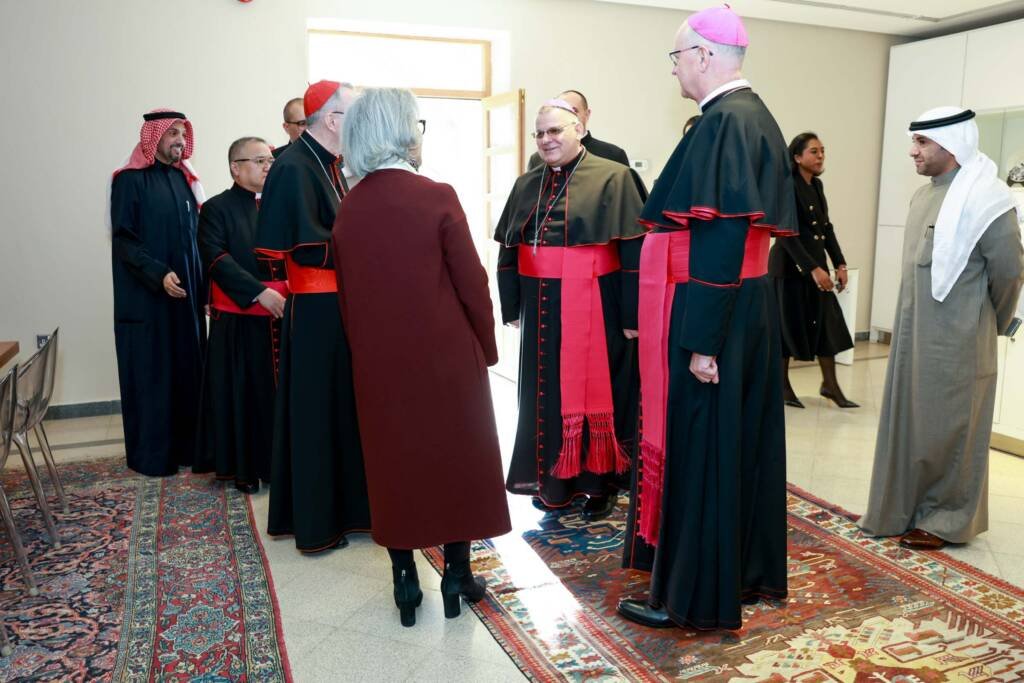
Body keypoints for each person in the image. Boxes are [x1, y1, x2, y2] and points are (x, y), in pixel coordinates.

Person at [618, 5, 793, 630]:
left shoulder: (724, 121)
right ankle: (741, 573)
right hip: (744, 306)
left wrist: (702, 342)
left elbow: (719, 239)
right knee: (737, 446)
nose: (674, 70)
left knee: (703, 450)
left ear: (704, 55)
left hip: (715, 308)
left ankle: (692, 599)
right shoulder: (753, 114)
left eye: (676, 57)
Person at [332, 87, 511, 627]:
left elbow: (348, 300)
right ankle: (457, 574)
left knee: (394, 464)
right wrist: (486, 346)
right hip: (446, 357)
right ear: (403, 132)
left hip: (380, 364)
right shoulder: (436, 196)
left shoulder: (349, 209)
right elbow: (472, 282)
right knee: (457, 458)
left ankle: (405, 581)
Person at [859, 107, 1024, 550]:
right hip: (913, 336)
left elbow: (1009, 274)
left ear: (951, 145)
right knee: (911, 424)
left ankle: (947, 519)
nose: (912, 151)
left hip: (960, 338)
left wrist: (986, 324)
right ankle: (902, 509)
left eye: (922, 143)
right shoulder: (922, 196)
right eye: (913, 142)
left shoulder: (989, 200)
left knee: (953, 430)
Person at [495, 99, 645, 522]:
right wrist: (511, 304)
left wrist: (632, 317)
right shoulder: (526, 183)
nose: (546, 140)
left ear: (579, 129)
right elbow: (509, 247)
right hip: (540, 308)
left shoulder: (614, 177)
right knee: (543, 395)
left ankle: (598, 485)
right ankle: (551, 481)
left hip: (598, 305)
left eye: (555, 131)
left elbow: (634, 254)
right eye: (540, 133)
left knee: (602, 393)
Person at [254, 80, 371, 553]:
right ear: (332, 120)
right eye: (353, 116)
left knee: (339, 408)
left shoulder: (327, 162)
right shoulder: (294, 166)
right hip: (318, 309)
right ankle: (320, 523)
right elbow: (304, 246)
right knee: (318, 415)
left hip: (335, 306)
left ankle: (348, 511)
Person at [110, 109, 207, 477]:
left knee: (187, 372)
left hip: (185, 300)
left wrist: (204, 289)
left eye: (183, 134)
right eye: (172, 134)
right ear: (154, 137)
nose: (180, 141)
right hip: (148, 301)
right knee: (154, 375)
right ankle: (154, 458)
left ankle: (188, 450)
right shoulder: (129, 181)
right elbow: (124, 241)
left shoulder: (184, 180)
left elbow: (195, 242)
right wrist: (159, 273)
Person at [194, 137, 287, 493]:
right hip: (240, 320)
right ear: (236, 167)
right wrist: (260, 293)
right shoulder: (216, 208)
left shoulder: (279, 204)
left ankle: (278, 467)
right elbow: (216, 258)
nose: (268, 167)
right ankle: (246, 470)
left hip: (282, 314)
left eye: (270, 161)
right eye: (260, 161)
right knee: (244, 396)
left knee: (278, 395)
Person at [769, 132, 857, 409]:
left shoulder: (816, 185)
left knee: (827, 324)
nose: (820, 157)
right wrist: (812, 269)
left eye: (822, 151)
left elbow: (825, 228)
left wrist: (839, 263)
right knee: (786, 328)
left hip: (816, 267)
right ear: (797, 157)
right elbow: (784, 233)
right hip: (789, 268)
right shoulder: (786, 186)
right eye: (814, 152)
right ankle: (782, 386)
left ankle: (830, 385)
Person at [528, 90, 648, 200]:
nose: (546, 140)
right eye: (540, 134)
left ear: (587, 115)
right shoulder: (537, 159)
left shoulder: (612, 154)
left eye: (573, 110)